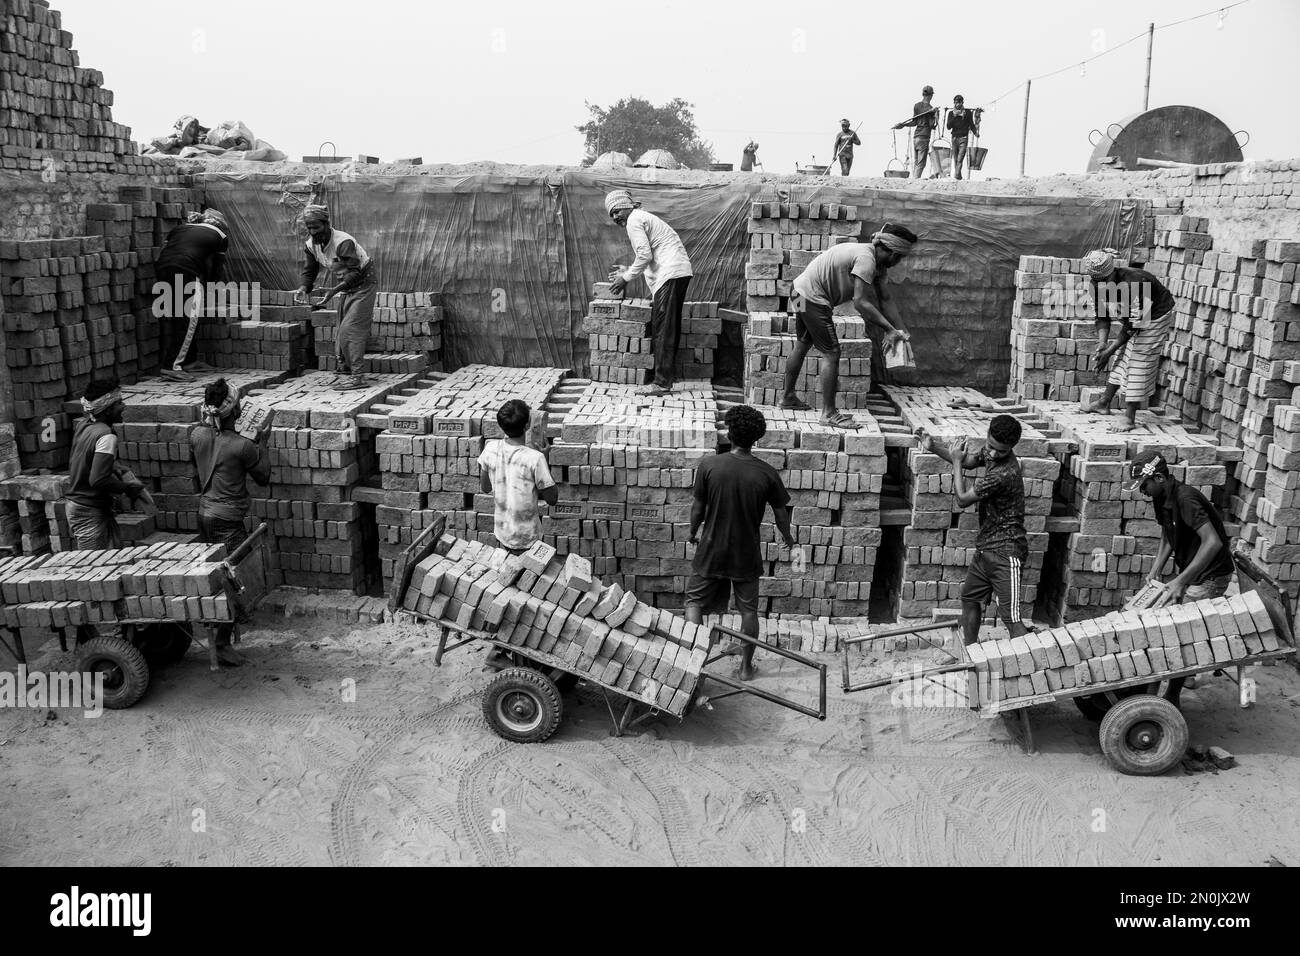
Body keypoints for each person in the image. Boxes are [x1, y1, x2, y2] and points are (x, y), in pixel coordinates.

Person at [686, 405, 794, 682]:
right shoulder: (767, 473)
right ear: (756, 438)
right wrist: (788, 539)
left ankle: (693, 663)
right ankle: (746, 668)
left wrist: (692, 531)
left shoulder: (710, 465)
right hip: (745, 553)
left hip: (711, 547)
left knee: (694, 602)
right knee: (748, 609)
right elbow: (781, 514)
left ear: (729, 433)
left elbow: (698, 506)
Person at [784, 224, 916, 429]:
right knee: (832, 352)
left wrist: (900, 331)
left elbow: (886, 299)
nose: (899, 262)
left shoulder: (878, 265)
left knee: (803, 343)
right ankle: (828, 413)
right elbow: (860, 302)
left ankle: (788, 397)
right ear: (890, 251)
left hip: (797, 290)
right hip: (811, 298)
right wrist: (888, 329)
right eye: (899, 257)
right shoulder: (866, 259)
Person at [918, 415, 1029, 645]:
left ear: (1011, 448)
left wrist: (956, 462)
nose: (992, 453)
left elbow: (962, 499)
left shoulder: (1004, 474)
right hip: (986, 547)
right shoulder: (991, 452)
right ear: (988, 437)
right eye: (990, 446)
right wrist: (935, 447)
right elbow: (969, 460)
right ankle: (970, 653)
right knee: (969, 599)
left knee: (1011, 618)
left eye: (1000, 450)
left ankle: (1032, 673)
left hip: (1007, 553)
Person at [192, 378, 271, 666]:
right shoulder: (242, 446)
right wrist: (262, 442)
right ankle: (222, 643)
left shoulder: (197, 436)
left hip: (204, 514)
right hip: (226, 520)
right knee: (236, 580)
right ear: (234, 411)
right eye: (238, 405)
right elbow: (264, 477)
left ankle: (220, 636)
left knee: (219, 575)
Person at [605, 190, 693, 397]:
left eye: (617, 211)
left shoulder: (634, 220)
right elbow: (651, 255)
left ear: (627, 206)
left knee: (663, 329)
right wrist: (627, 270)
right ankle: (666, 377)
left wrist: (624, 278)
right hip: (676, 272)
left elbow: (644, 254)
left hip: (670, 274)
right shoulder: (642, 218)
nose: (615, 217)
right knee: (668, 327)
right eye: (611, 214)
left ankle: (662, 383)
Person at [1079, 248, 1177, 432]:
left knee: (1139, 359)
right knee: (1124, 355)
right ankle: (1103, 403)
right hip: (1135, 318)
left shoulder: (1135, 285)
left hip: (1156, 314)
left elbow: (1133, 325)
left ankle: (1130, 418)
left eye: (1106, 282)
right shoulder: (1096, 285)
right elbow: (1101, 317)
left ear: (1113, 272)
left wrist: (1110, 350)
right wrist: (1103, 344)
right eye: (1098, 282)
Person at [1130, 451, 1235, 603]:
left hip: (1212, 575)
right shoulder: (1160, 497)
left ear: (1159, 478)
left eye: (1144, 485)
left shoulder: (1185, 499)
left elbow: (1213, 542)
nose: (1142, 491)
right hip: (1194, 572)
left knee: (1180, 620)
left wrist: (1180, 581)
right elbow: (1167, 536)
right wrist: (1155, 570)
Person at [295, 205, 377, 390]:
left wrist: (332, 291)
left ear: (326, 224)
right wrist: (303, 288)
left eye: (316, 227)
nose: (312, 231)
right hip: (347, 286)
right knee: (341, 330)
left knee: (351, 329)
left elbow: (354, 273)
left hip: (364, 283)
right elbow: (310, 270)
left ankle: (358, 377)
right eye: (309, 227)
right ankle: (346, 369)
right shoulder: (311, 245)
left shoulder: (343, 242)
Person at [65, 377, 152, 552]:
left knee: (112, 560)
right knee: (94, 569)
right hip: (88, 510)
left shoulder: (85, 425)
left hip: (84, 507)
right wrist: (127, 488)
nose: (124, 407)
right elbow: (97, 480)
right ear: (107, 409)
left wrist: (114, 466)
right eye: (119, 403)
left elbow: (88, 459)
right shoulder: (106, 436)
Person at [155, 208, 228, 381]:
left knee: (178, 317)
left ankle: (189, 361)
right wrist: (211, 290)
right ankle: (171, 366)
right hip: (186, 269)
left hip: (162, 269)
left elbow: (166, 250)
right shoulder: (221, 237)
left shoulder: (180, 228)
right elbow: (216, 267)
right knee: (189, 319)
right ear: (220, 225)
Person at [477, 399, 559, 554]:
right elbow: (552, 499)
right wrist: (545, 460)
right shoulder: (535, 458)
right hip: (528, 537)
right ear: (527, 426)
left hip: (502, 532)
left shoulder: (490, 449)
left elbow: (486, 488)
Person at [893, 85, 939, 178]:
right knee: (921, 163)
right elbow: (932, 126)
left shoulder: (917, 106)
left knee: (916, 161)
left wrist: (903, 125)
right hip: (924, 137)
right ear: (931, 95)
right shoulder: (930, 109)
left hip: (916, 137)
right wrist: (936, 115)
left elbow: (914, 122)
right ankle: (915, 179)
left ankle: (914, 179)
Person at [945, 95, 981, 180]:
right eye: (956, 102)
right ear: (954, 103)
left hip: (963, 138)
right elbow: (948, 126)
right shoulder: (951, 113)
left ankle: (957, 176)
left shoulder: (967, 113)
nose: (958, 104)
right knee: (955, 159)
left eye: (959, 102)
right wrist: (954, 116)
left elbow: (971, 124)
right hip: (954, 138)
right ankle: (959, 176)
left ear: (962, 103)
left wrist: (976, 133)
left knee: (960, 158)